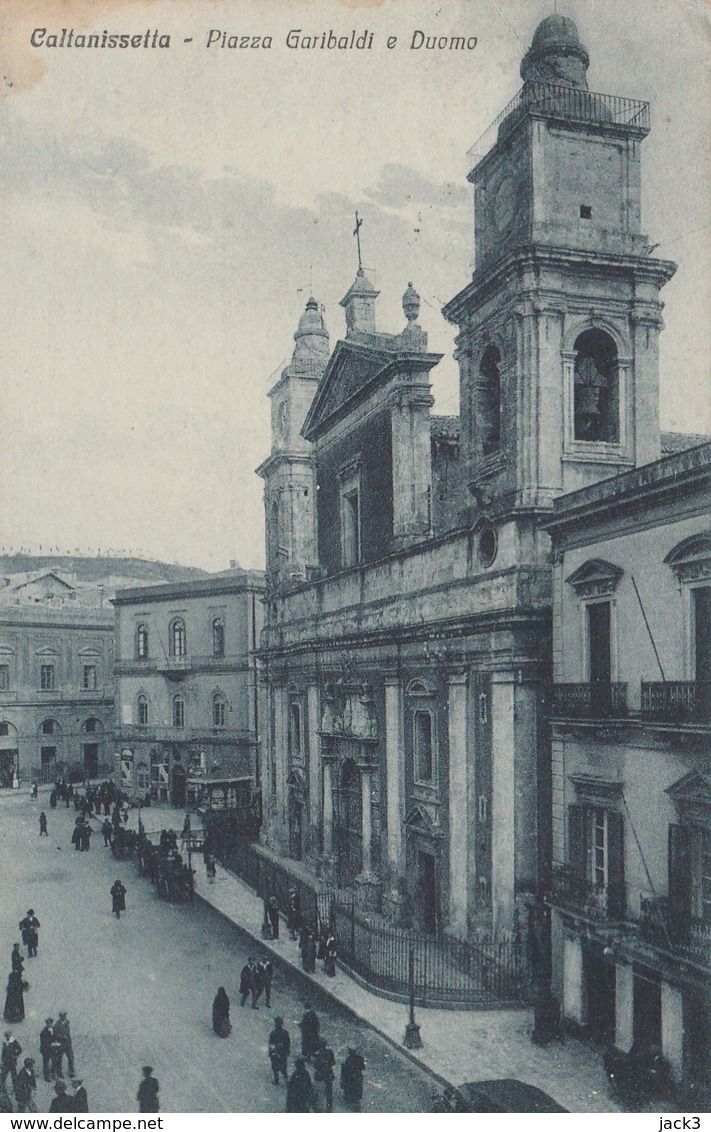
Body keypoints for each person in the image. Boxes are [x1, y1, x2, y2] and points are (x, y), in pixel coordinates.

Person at [313, 1039, 336, 1113]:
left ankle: (320, 1107)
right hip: (328, 1073)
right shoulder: (330, 1052)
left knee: (319, 1090)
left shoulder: (318, 1054)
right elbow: (333, 1062)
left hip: (321, 1074)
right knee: (329, 1091)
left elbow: (315, 1066)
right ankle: (329, 1107)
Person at [268, 1017, 290, 1085]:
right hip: (282, 1053)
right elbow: (288, 1043)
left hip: (276, 1052)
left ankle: (276, 1080)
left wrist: (271, 1052)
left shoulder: (273, 1033)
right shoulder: (285, 1033)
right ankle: (286, 1080)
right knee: (283, 1067)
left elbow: (271, 1044)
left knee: (275, 1067)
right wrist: (287, 1051)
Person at [54, 1012, 75, 1077]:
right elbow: (56, 1034)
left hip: (68, 1044)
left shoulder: (66, 1023)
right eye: (63, 1016)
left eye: (65, 1016)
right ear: (61, 1016)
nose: (65, 1017)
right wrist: (62, 1037)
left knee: (71, 1058)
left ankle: (71, 1072)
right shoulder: (57, 1024)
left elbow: (68, 1033)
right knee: (59, 1059)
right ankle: (59, 1073)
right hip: (61, 1044)